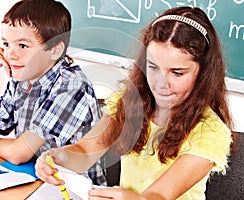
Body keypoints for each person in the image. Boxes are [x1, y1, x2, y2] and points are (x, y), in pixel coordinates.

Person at [35, 6, 234, 200]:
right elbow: (86, 150)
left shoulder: (210, 132)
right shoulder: (130, 102)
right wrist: (59, 157)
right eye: (153, 67)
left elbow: (160, 195)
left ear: (203, 73)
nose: (161, 84)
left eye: (177, 72)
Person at [0, 0, 106, 185]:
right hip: (34, 181)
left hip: (73, 191)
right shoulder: (21, 81)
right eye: (6, 44)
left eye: (22, 46)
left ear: (55, 50)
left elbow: (18, 153)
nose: (10, 55)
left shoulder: (71, 86)